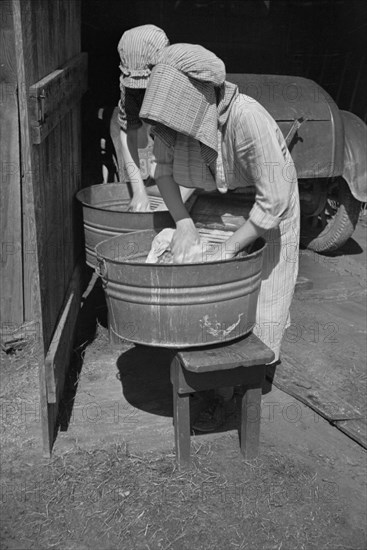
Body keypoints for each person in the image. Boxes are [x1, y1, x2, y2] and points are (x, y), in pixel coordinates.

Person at [140, 43, 300, 431]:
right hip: (211, 201)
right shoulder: (167, 122)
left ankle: (246, 379)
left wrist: (229, 248)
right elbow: (162, 172)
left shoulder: (248, 119)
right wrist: (183, 222)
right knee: (203, 284)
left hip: (267, 206)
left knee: (262, 294)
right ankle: (207, 372)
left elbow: (274, 199)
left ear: (203, 96)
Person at [117, 24, 169, 211]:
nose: (141, 91)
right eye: (137, 88)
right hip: (150, 145)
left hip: (189, 170)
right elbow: (127, 135)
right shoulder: (130, 91)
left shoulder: (178, 88)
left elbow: (195, 151)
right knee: (138, 140)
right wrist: (139, 191)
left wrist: (170, 206)